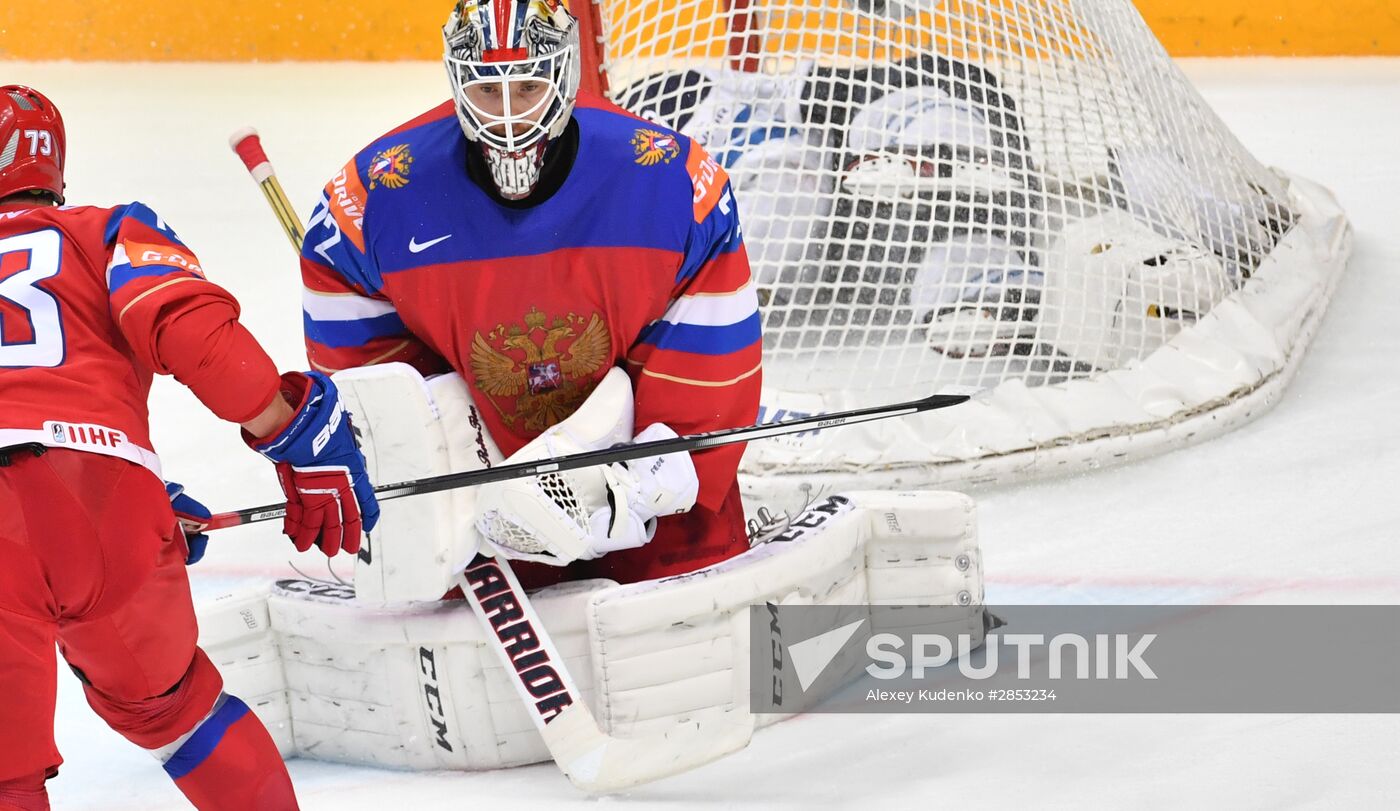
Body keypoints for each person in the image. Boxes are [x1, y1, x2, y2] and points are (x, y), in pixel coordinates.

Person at [0, 85, 379, 811]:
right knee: (175, 712)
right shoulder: (105, 230)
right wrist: (291, 433)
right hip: (108, 499)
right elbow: (192, 334)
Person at [298, 0, 761, 586]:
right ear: (457, 81)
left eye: (530, 87)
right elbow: (372, 377)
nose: (510, 117)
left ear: (565, 74)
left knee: (696, 639)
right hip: (484, 501)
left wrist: (650, 481)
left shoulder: (667, 180)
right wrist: (434, 454)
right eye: (489, 91)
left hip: (653, 485)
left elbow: (709, 364)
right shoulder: (374, 197)